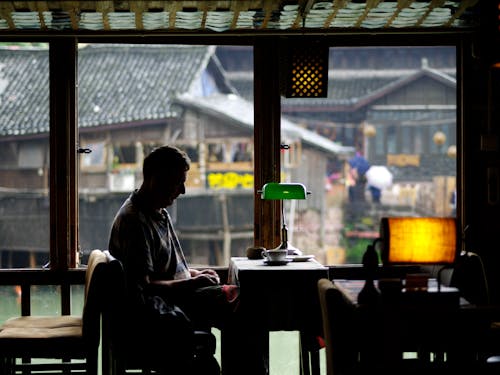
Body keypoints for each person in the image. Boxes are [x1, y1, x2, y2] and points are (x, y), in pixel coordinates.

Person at [108, 145, 239, 374]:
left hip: (177, 299)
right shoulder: (134, 221)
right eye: (178, 182)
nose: (183, 190)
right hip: (156, 311)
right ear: (155, 179)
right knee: (240, 304)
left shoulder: (157, 212)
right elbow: (144, 287)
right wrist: (191, 283)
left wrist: (195, 274)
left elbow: (166, 268)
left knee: (242, 306)